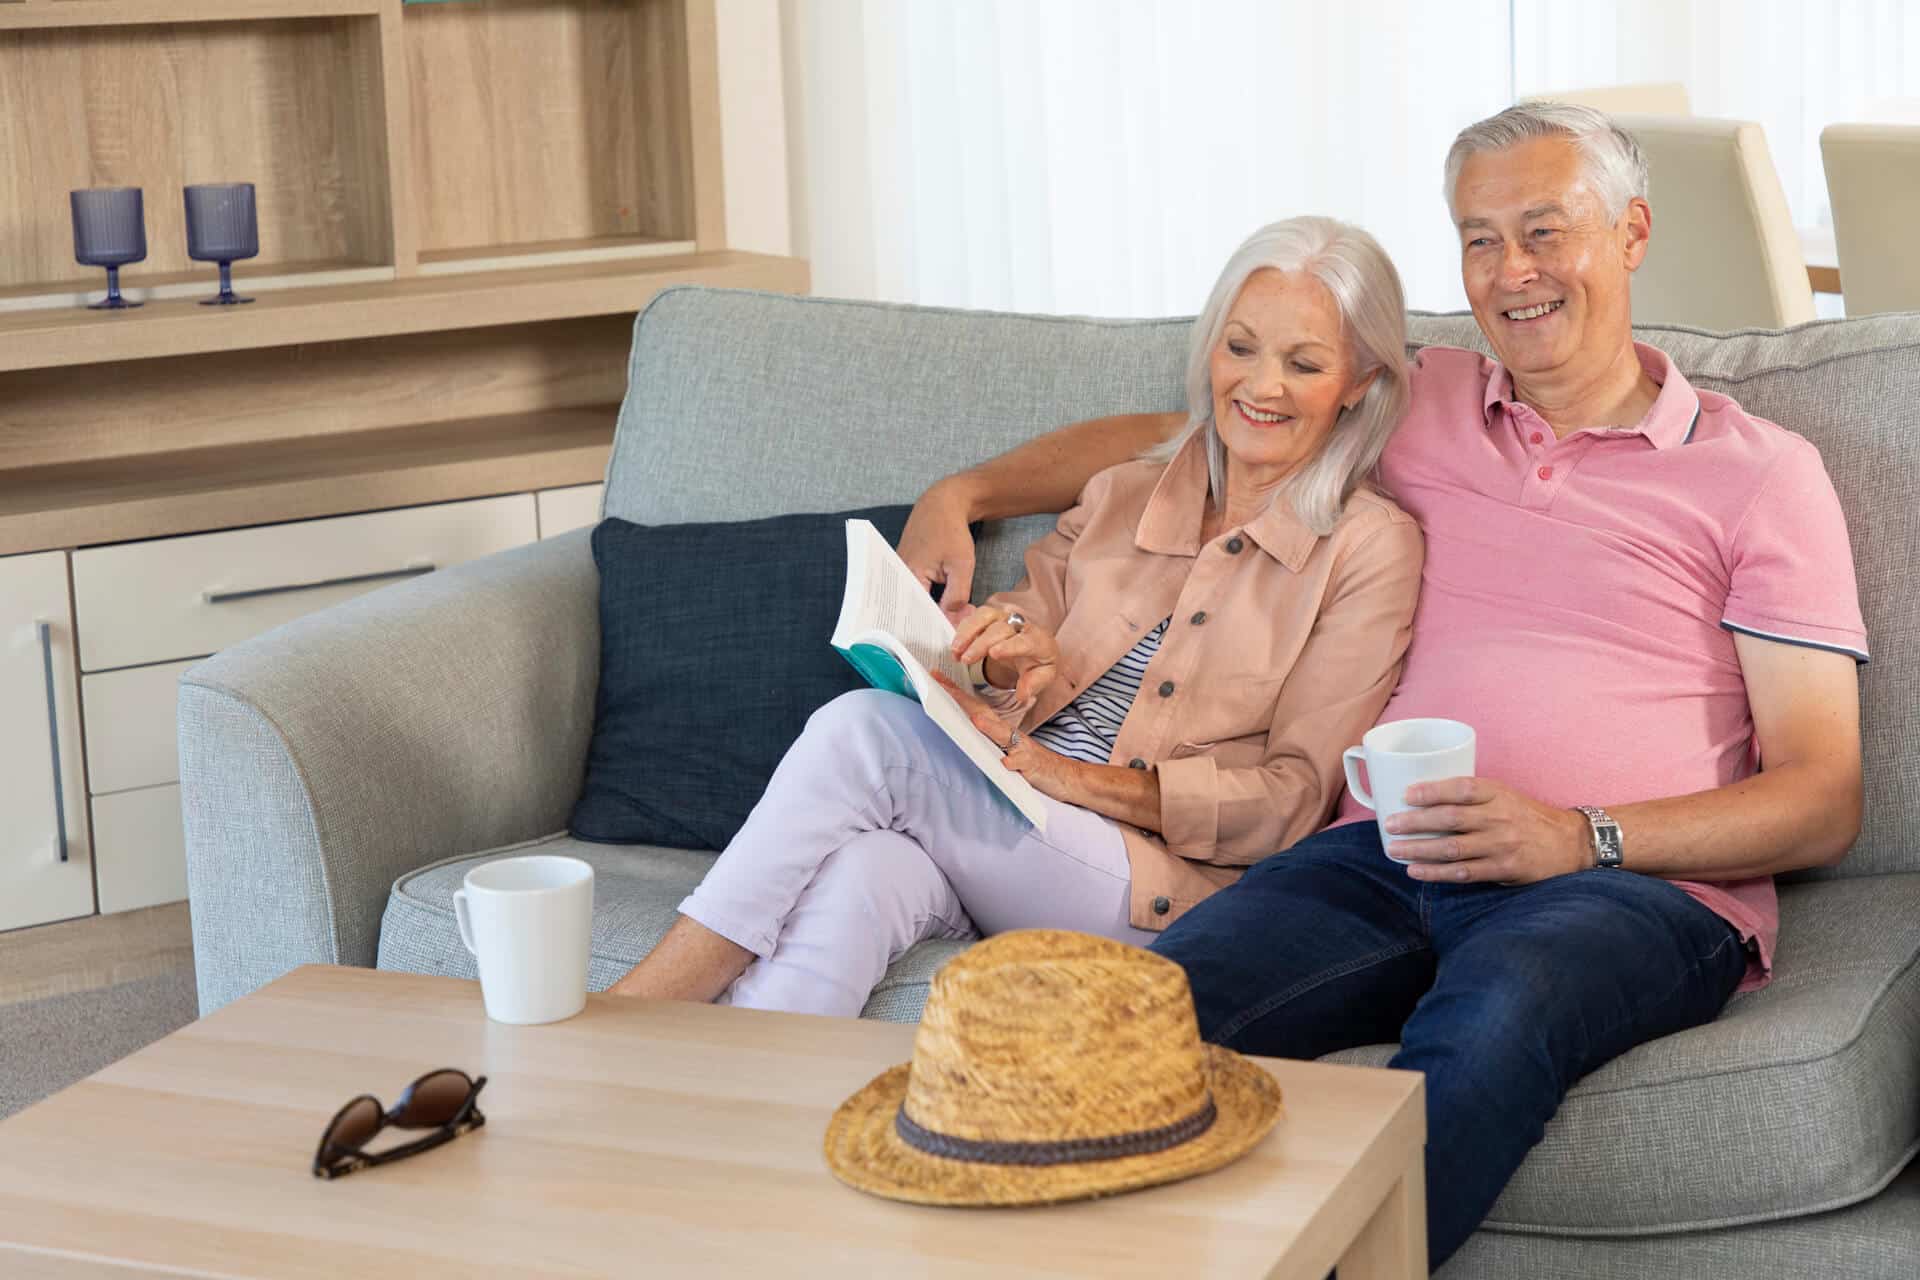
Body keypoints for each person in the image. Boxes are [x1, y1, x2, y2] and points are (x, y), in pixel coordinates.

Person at [896, 103, 1866, 1268]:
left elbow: (1824, 793)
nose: (1512, 273)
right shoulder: (1426, 399)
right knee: (1137, 1017)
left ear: (1630, 233)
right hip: (1384, 854)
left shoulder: (1759, 473)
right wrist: (964, 489)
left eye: (1544, 231)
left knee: (1498, 1009)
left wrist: (1579, 835)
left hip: (1630, 889)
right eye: (1479, 239)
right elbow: (1195, 436)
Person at [608, 217, 1424, 1016]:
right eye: (1240, 347)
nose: (1260, 385)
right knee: (865, 873)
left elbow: (1290, 803)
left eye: (1304, 363)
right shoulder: (1128, 489)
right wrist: (1006, 655)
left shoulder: (1367, 546)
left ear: (1359, 383)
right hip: (1015, 829)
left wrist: (1066, 778)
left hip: (1156, 889)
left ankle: (635, 1017)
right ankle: (739, 1122)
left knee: (867, 735)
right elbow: (1017, 645)